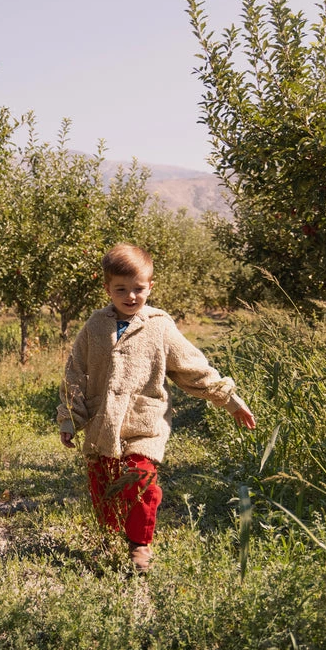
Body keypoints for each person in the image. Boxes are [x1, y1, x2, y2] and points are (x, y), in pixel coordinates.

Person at [57, 243, 256, 573]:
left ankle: (139, 545)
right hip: (101, 422)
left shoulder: (160, 326)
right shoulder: (94, 326)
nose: (131, 296)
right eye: (121, 289)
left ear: (151, 286)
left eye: (138, 288)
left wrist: (228, 398)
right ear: (107, 288)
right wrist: (70, 418)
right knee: (104, 487)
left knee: (141, 482)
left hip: (143, 424)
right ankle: (107, 540)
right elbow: (75, 372)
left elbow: (193, 368)